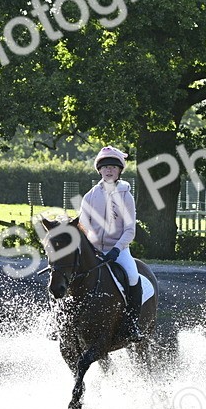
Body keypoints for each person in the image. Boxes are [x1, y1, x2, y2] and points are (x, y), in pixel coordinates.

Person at [79, 145, 143, 341]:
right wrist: (91, 245)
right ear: (99, 170)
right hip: (95, 251)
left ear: (119, 171)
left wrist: (116, 249)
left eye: (113, 167)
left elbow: (130, 230)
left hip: (119, 250)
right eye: (105, 166)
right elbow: (83, 225)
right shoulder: (90, 196)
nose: (109, 170)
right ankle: (61, 321)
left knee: (133, 276)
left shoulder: (126, 196)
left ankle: (132, 325)